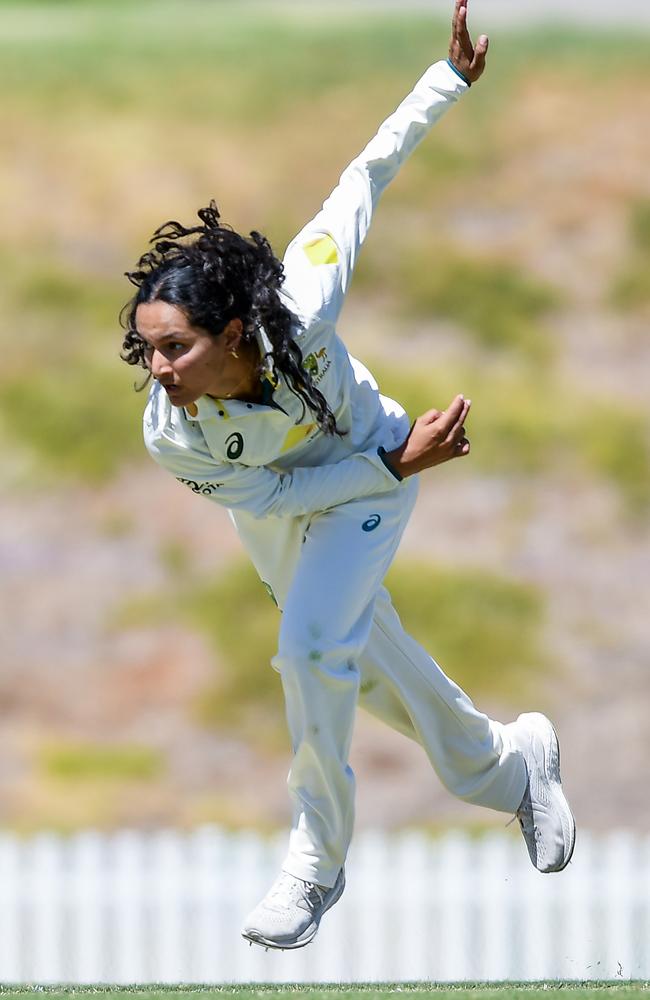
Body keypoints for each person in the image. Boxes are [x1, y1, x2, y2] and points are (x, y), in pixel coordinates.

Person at [120, 0, 575, 952]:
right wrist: (389, 464)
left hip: (372, 472)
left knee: (310, 650)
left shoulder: (303, 299)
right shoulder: (173, 434)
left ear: (235, 334)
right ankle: (509, 768)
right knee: (358, 669)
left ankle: (316, 860)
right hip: (314, 494)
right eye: (146, 349)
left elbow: (362, 177)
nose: (158, 370)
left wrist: (445, 79)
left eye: (175, 349)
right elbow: (279, 499)